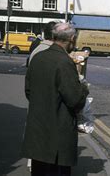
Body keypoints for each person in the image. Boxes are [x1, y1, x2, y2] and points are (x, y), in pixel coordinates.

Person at [21, 23, 89, 176]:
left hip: (38, 132)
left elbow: (28, 91)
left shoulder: (38, 57)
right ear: (71, 39)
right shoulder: (64, 62)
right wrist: (84, 88)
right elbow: (75, 100)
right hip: (58, 135)